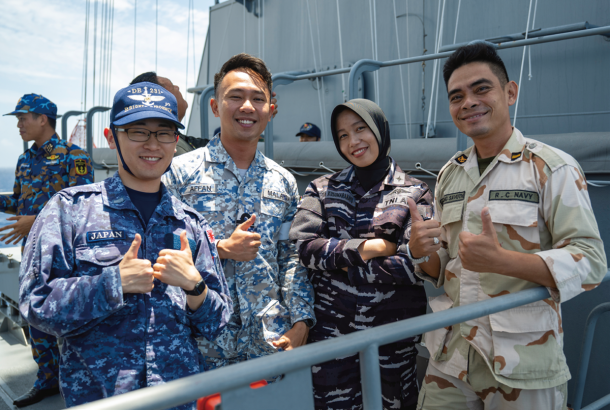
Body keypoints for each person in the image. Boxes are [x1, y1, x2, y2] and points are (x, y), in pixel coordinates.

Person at [412, 42, 607, 409]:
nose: (468, 102)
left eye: (481, 88)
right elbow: (446, 266)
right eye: (457, 96)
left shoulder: (551, 168)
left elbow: (591, 262)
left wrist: (503, 261)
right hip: (452, 359)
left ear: (510, 92)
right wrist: (421, 253)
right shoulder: (450, 174)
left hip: (521, 360)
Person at [19, 81, 232, 408]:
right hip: (101, 400)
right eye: (137, 131)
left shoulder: (191, 223)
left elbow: (219, 324)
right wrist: (112, 284)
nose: (153, 144)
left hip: (178, 399)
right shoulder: (69, 211)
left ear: (175, 141)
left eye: (164, 133)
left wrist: (195, 287)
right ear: (111, 138)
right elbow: (36, 303)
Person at [162, 53, 315, 370]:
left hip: (268, 343)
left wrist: (301, 321)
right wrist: (219, 249)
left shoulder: (283, 182)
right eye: (235, 97)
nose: (247, 107)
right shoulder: (179, 174)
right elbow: (161, 247)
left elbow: (290, 258)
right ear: (215, 106)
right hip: (200, 344)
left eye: (258, 99)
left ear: (270, 109)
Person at [289, 99, 431, 410]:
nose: (352, 141)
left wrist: (341, 265)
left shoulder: (416, 192)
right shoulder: (321, 189)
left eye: (360, 129)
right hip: (331, 342)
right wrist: (371, 248)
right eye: (342, 135)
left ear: (379, 130)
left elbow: (415, 265)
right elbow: (304, 247)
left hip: (392, 344)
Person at [0, 93, 93, 407]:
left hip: (65, 254)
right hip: (32, 253)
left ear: (43, 119)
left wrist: (35, 220)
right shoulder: (25, 160)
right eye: (17, 119)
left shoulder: (73, 156)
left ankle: (80, 383)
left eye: (23, 118)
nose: (19, 125)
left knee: (71, 318)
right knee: (35, 315)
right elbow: (18, 201)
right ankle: (47, 380)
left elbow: (83, 206)